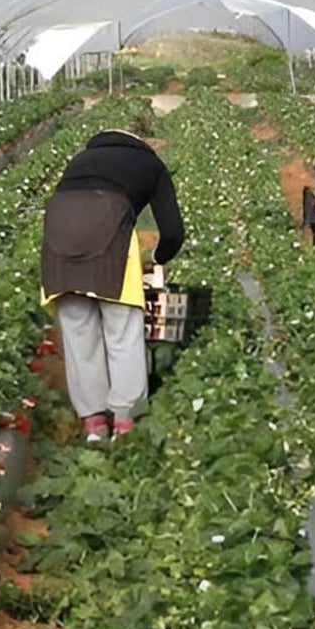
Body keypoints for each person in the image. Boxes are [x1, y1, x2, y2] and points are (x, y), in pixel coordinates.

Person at [41, 129, 184, 442]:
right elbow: (173, 231)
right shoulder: (150, 165)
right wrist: (158, 261)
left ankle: (94, 423)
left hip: (58, 236)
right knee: (121, 328)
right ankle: (124, 420)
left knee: (78, 328)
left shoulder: (81, 160)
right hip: (109, 231)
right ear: (140, 144)